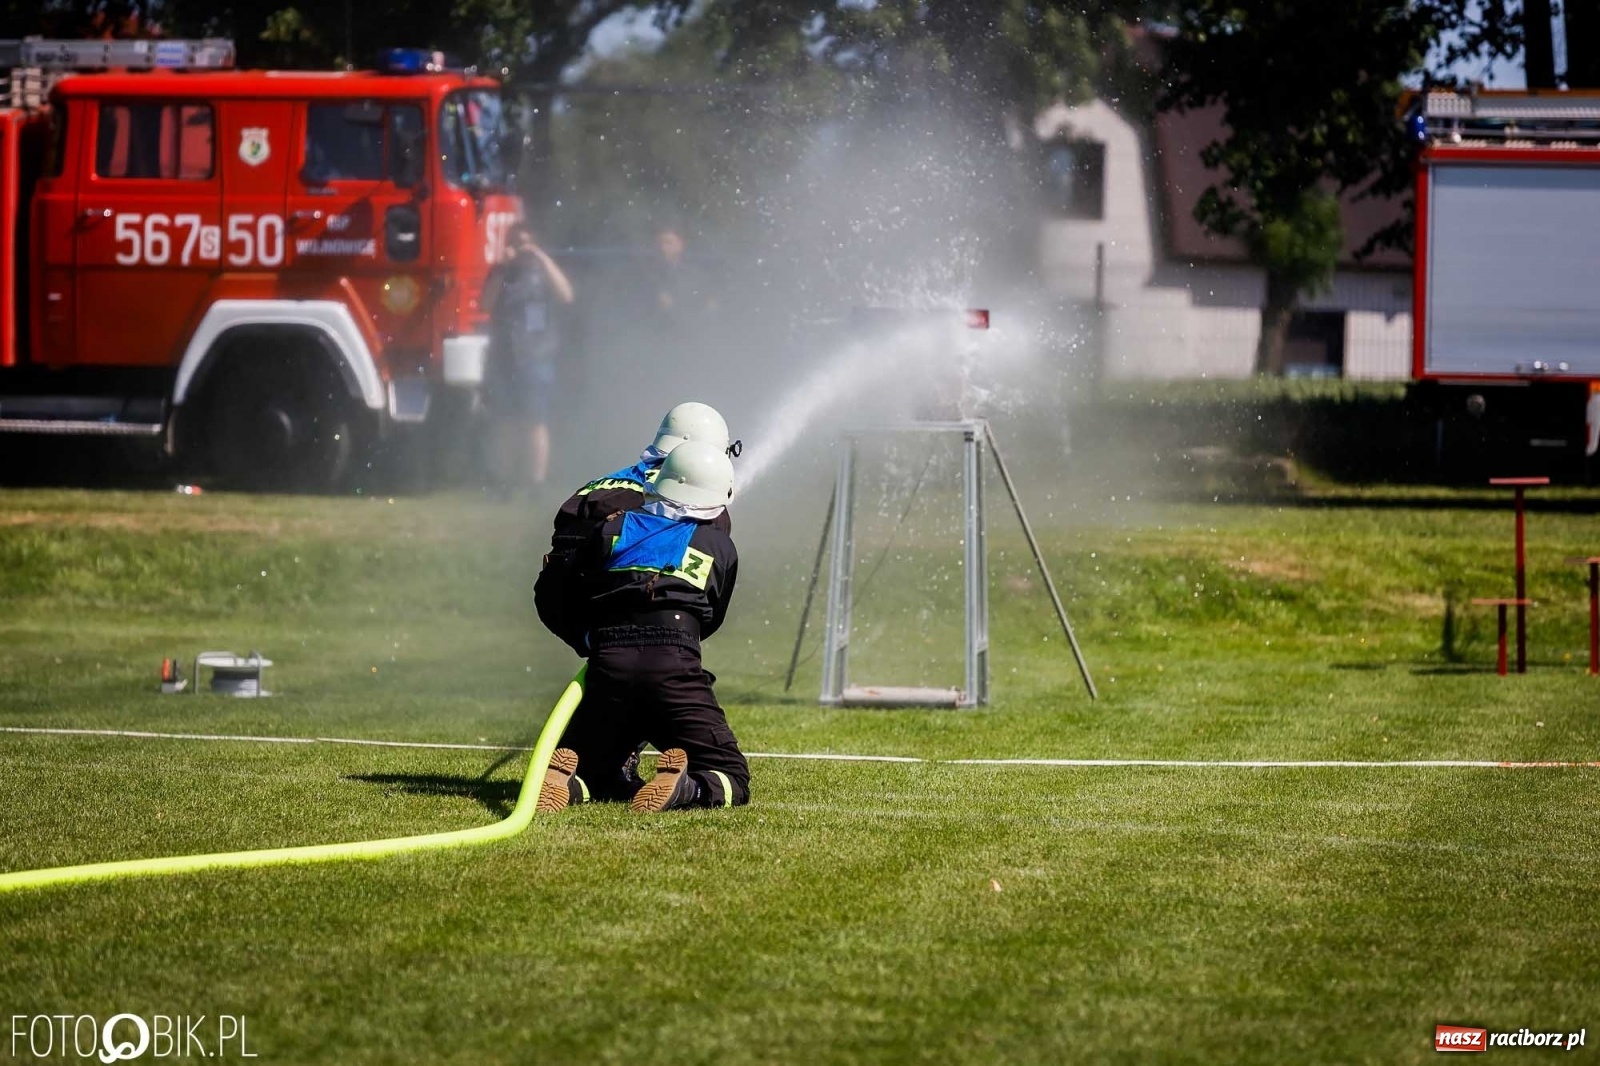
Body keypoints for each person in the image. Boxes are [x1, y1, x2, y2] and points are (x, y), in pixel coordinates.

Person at [537, 440, 749, 813]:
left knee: (596, 767)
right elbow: (711, 617)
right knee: (731, 776)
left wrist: (591, 636)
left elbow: (570, 589)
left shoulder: (609, 530)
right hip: (675, 661)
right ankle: (686, 789)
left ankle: (567, 785)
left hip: (608, 662)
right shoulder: (718, 545)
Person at [535, 402, 737, 654]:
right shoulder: (692, 499)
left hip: (563, 605)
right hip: (644, 628)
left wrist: (585, 638)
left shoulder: (599, 485)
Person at [481, 224, 575, 492]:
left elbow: (567, 295)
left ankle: (536, 482)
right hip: (504, 356)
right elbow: (485, 304)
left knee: (536, 421)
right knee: (505, 422)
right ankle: (503, 481)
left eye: (526, 242)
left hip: (537, 355)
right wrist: (501, 267)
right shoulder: (503, 272)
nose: (522, 248)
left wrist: (542, 258)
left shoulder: (543, 271)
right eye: (517, 242)